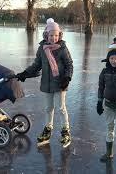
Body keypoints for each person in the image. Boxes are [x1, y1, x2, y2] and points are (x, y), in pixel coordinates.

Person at [15, 18, 73, 148]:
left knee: (61, 108)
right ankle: (48, 129)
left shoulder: (62, 48)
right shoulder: (42, 49)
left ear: (60, 35)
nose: (53, 38)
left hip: (60, 84)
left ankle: (66, 131)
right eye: (51, 35)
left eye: (56, 35)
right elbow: (36, 65)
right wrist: (25, 73)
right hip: (47, 84)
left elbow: (69, 65)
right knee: (48, 108)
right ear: (46, 35)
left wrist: (67, 78)